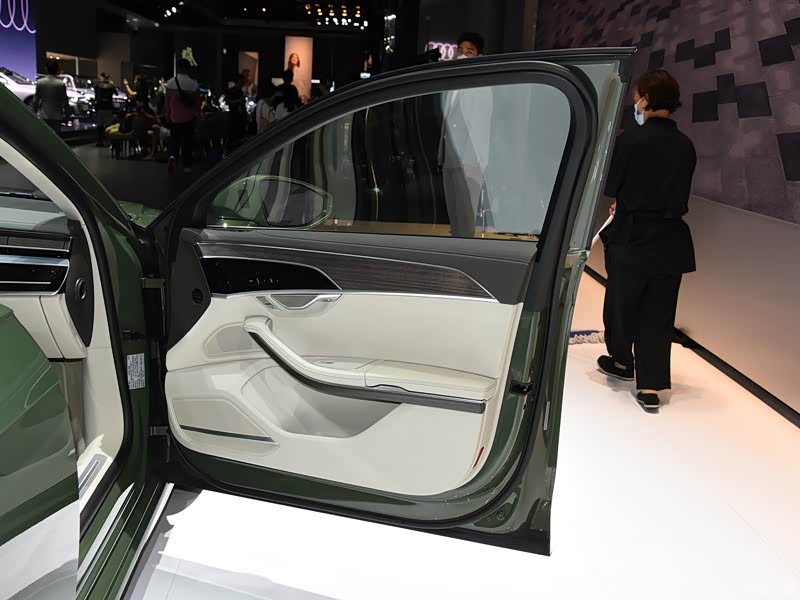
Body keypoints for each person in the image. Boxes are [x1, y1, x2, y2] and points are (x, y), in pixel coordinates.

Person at [598, 69, 697, 411]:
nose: (635, 103)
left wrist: (627, 201)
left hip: (632, 235)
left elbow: (612, 185)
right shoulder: (686, 145)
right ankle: (651, 387)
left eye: (636, 96)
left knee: (621, 303)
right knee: (659, 311)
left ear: (646, 99)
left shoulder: (629, 140)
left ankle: (622, 362)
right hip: (670, 239)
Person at [438, 32, 492, 237]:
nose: (463, 54)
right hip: (449, 158)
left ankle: (464, 247)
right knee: (454, 211)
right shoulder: (451, 84)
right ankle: (456, 244)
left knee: (466, 213)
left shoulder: (481, 85)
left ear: (478, 56)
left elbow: (481, 125)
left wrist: (472, 160)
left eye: (469, 51)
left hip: (468, 160)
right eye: (460, 50)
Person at [164, 58, 201, 174]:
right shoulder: (194, 84)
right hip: (189, 118)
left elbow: (167, 102)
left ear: (178, 68)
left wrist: (168, 114)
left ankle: (172, 157)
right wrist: (198, 115)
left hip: (174, 117)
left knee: (174, 140)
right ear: (188, 69)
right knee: (187, 142)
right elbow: (197, 103)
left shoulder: (170, 83)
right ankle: (187, 166)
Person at [33, 59, 69, 133]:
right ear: (57, 69)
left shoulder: (40, 82)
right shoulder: (61, 84)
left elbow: (35, 100)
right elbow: (65, 102)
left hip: (44, 115)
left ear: (46, 68)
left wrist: (34, 113)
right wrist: (67, 116)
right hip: (57, 116)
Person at [93, 72, 116, 146]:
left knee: (100, 125)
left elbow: (96, 94)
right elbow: (116, 93)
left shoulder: (97, 85)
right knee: (108, 125)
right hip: (108, 107)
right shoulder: (111, 85)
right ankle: (108, 141)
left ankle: (100, 141)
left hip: (100, 107)